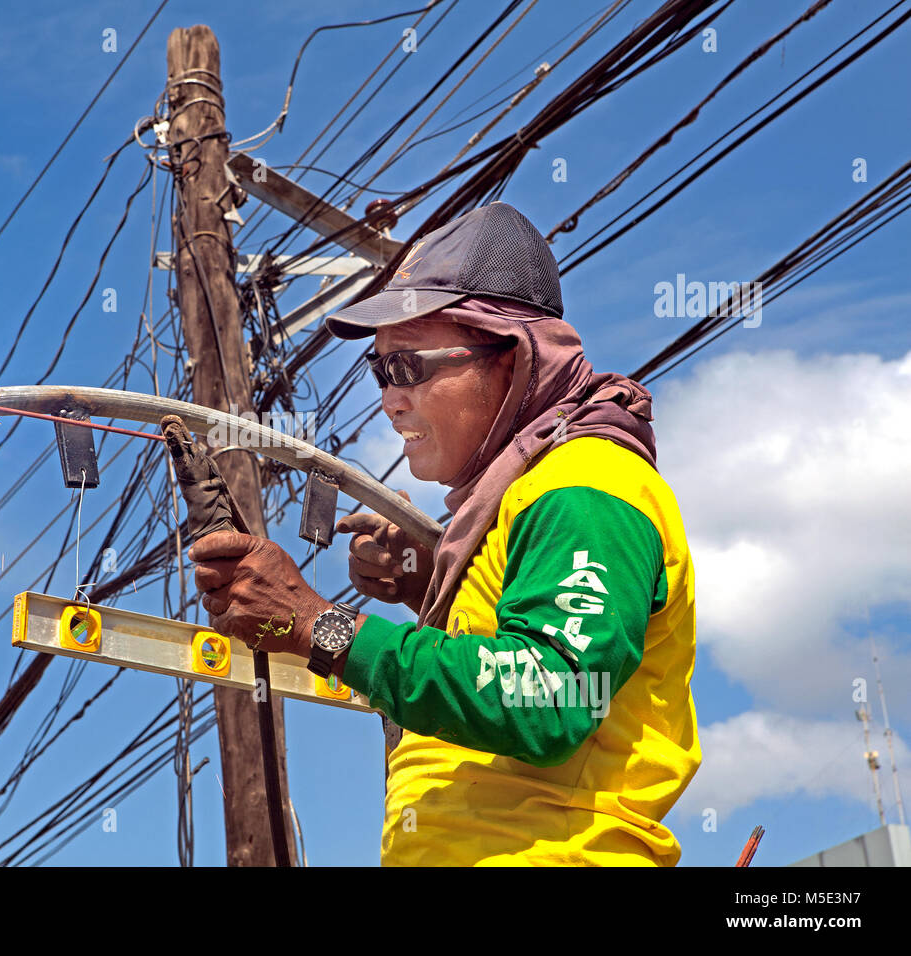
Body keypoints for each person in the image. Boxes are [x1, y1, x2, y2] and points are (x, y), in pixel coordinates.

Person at [189, 201, 700, 866]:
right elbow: (507, 662)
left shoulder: (587, 484)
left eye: (408, 368)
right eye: (380, 372)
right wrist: (428, 583)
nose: (389, 399)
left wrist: (318, 623)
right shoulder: (513, 504)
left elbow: (552, 694)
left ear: (511, 359)